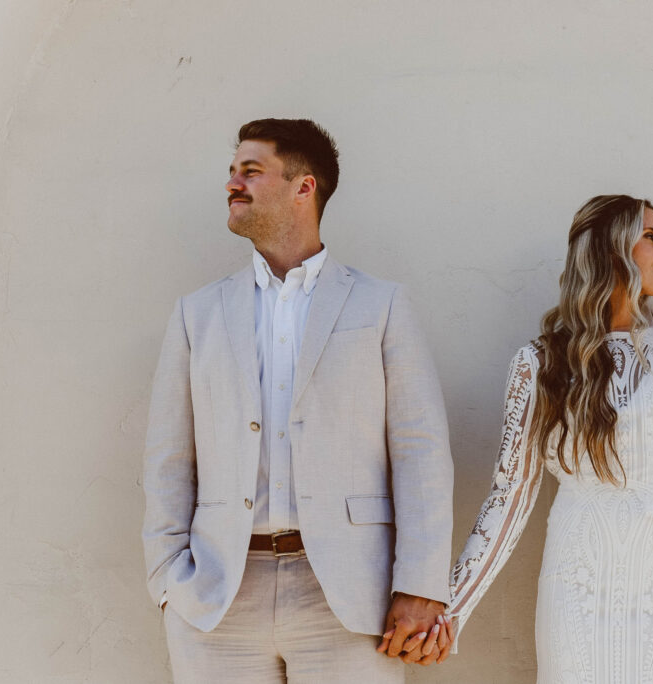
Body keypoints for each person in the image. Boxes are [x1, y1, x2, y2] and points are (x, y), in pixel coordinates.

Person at [141, 118, 454, 683]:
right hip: (218, 595)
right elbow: (169, 459)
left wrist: (421, 585)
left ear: (304, 186)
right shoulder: (197, 314)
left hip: (350, 596)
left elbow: (420, 451)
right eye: (232, 172)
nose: (233, 183)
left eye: (251, 171)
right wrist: (167, 579)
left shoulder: (380, 306)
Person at [441, 196, 653, 682]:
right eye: (650, 238)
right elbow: (509, 496)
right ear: (609, 251)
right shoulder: (541, 363)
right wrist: (449, 610)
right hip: (576, 587)